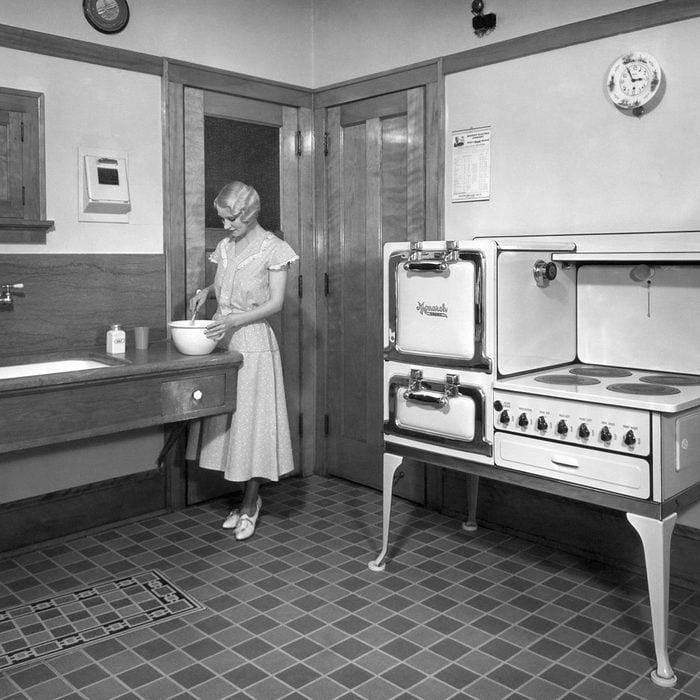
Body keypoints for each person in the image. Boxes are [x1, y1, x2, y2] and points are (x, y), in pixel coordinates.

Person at [187, 181, 298, 541]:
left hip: (254, 343)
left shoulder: (276, 250)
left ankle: (251, 503)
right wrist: (206, 292)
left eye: (231, 219)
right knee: (231, 425)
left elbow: (275, 304)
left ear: (249, 214)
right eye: (222, 219)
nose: (225, 226)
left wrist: (235, 319)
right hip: (224, 342)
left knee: (254, 425)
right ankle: (243, 499)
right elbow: (227, 284)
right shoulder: (225, 246)